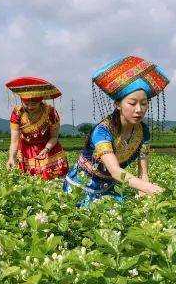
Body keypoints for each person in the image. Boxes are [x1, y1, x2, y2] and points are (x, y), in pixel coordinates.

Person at [64, 56, 168, 206]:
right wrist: (148, 187)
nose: (139, 110)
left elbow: (143, 172)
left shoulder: (143, 132)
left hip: (108, 187)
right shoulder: (103, 131)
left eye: (144, 104)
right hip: (81, 187)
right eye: (132, 103)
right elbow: (114, 170)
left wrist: (144, 192)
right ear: (118, 104)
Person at [5, 76, 69, 180]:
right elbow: (14, 140)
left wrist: (46, 149)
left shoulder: (51, 113)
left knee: (53, 181)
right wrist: (11, 158)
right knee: (29, 182)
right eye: (26, 104)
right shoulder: (17, 113)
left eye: (33, 104)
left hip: (49, 149)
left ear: (40, 101)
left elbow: (54, 137)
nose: (30, 107)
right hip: (27, 150)